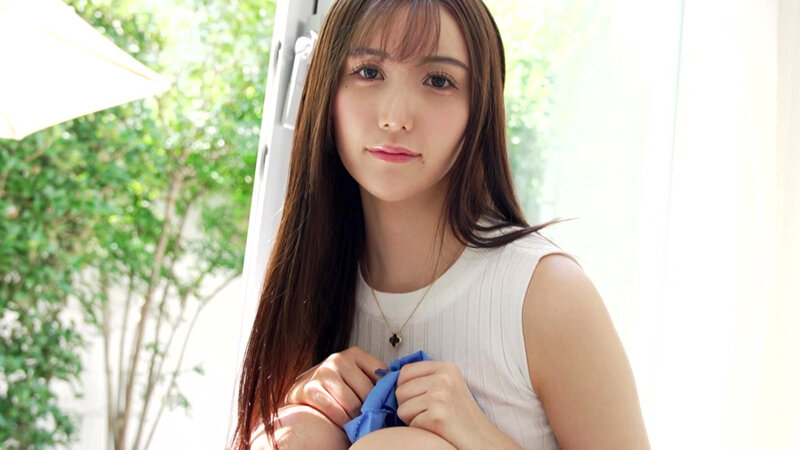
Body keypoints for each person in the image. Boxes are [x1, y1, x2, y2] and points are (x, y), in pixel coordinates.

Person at [231, 0, 650, 448]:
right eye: (369, 71)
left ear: (479, 110)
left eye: (437, 80)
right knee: (294, 433)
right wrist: (304, 397)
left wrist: (483, 439)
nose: (395, 117)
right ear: (325, 89)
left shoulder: (544, 293)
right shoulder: (308, 280)